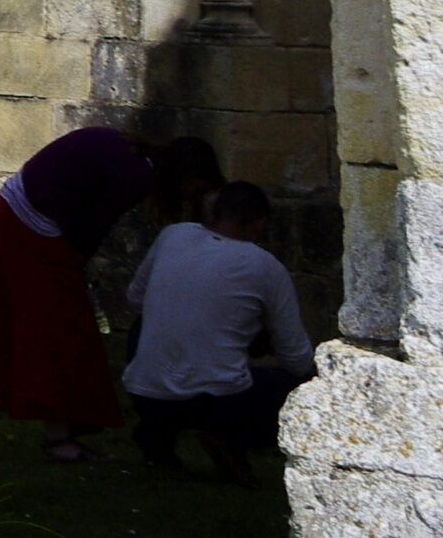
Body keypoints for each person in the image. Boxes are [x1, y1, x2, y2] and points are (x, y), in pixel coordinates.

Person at [0, 124, 174, 461]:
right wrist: (73, 266)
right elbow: (93, 228)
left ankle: (68, 425)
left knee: (65, 329)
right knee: (61, 334)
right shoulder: (136, 174)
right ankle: (59, 437)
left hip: (21, 216)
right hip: (28, 225)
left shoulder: (131, 152)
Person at [124, 181, 317, 478]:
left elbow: (136, 298)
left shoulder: (173, 235)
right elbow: (297, 357)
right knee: (302, 385)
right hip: (217, 400)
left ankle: (158, 435)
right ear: (260, 224)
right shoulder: (265, 266)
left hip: (146, 392)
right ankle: (231, 438)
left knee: (145, 328)